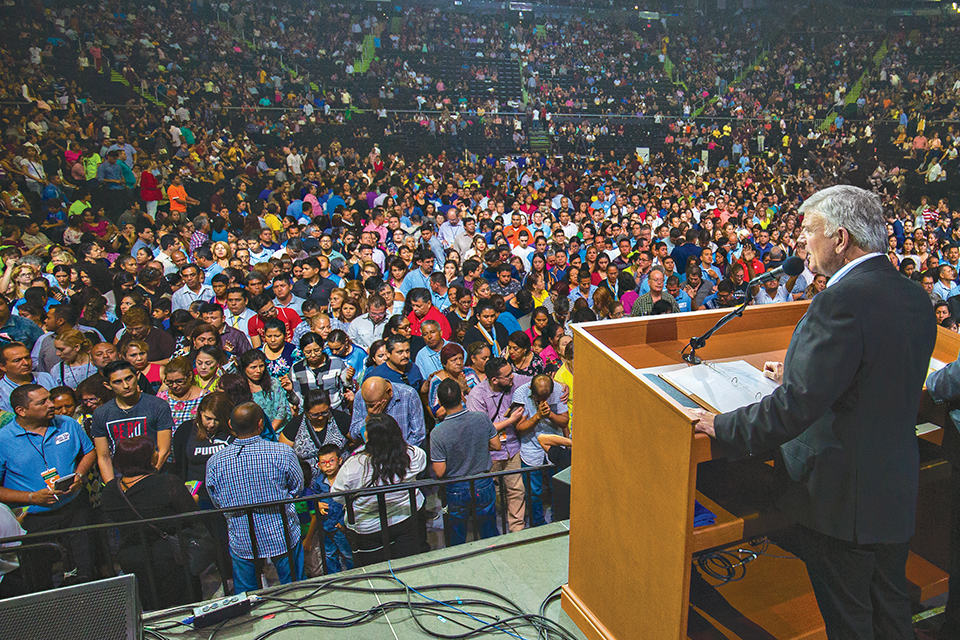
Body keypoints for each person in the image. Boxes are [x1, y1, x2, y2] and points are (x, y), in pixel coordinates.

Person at [692, 186, 937, 639]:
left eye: (808, 233)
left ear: (840, 238)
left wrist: (721, 425)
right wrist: (802, 373)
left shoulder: (840, 300)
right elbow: (876, 377)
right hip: (894, 490)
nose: (800, 243)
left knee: (851, 625)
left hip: (843, 501)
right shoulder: (914, 296)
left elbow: (793, 410)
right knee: (891, 614)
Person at [0, 384, 97, 589]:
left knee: (85, 571)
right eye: (42, 402)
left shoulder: (68, 424)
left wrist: (80, 474)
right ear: (21, 410)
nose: (51, 405)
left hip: (74, 508)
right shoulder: (3, 440)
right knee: (39, 578)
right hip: (34, 518)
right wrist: (30, 498)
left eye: (49, 399)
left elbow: (89, 451)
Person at [206, 402, 305, 594]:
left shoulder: (215, 462)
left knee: (246, 595)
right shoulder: (282, 453)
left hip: (242, 535)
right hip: (280, 531)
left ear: (230, 424)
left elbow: (216, 499)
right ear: (261, 424)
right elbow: (297, 487)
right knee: (296, 589)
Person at [100, 436, 201, 610]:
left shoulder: (110, 490)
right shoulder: (167, 482)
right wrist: (195, 499)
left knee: (150, 605)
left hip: (130, 557)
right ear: (144, 458)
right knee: (183, 604)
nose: (157, 453)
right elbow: (191, 517)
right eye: (153, 450)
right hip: (169, 555)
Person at [331, 413, 426, 566]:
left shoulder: (354, 465)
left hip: (369, 527)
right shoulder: (413, 455)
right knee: (408, 566)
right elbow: (421, 465)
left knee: (376, 571)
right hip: (407, 517)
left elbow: (338, 495)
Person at [432, 380, 501, 546]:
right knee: (489, 530)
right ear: (462, 397)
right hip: (483, 482)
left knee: (456, 534)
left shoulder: (438, 433)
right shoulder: (481, 418)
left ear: (440, 403)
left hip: (455, 486)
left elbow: (440, 471)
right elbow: (496, 445)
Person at [465, 357, 527, 532]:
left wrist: (560, 385)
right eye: (507, 376)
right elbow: (480, 429)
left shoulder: (513, 381)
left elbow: (535, 380)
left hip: (512, 448)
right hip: (490, 452)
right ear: (494, 380)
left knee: (516, 490)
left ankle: (517, 531)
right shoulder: (477, 395)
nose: (512, 378)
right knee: (489, 495)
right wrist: (511, 421)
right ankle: (490, 533)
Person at [91, 361, 175, 483]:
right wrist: (112, 487)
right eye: (117, 382)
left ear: (137, 376)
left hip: (154, 476)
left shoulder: (157, 406)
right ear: (108, 385)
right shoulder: (101, 413)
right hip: (120, 478)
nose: (126, 385)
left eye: (129, 378)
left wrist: (148, 478)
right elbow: (103, 457)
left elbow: (164, 450)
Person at [514, 374, 569, 527]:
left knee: (557, 489)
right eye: (539, 398)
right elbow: (519, 427)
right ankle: (537, 524)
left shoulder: (558, 389)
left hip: (555, 448)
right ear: (532, 391)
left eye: (546, 397)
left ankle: (557, 521)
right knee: (533, 493)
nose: (542, 401)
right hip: (531, 448)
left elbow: (564, 420)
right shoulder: (520, 393)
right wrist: (537, 416)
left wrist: (550, 414)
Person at [171, 392, 235, 507]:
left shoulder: (232, 432)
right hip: (197, 495)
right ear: (200, 413)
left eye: (217, 420)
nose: (212, 424)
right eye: (208, 418)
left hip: (226, 493)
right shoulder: (186, 430)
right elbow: (179, 465)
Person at [305, 444, 353, 575]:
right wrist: (318, 503)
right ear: (319, 465)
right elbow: (314, 498)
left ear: (340, 460)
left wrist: (343, 523)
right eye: (323, 462)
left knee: (348, 554)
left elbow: (351, 503)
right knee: (329, 555)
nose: (328, 465)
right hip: (325, 526)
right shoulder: (319, 482)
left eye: (331, 461)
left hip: (341, 526)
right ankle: (334, 578)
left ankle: (354, 576)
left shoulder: (345, 479)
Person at [279, 389, 351, 467]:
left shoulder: (339, 418)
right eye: (315, 415)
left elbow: (358, 440)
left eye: (324, 413)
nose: (320, 418)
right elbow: (284, 455)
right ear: (306, 412)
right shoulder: (295, 424)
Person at [350, 377, 426, 447]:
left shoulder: (408, 394)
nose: (374, 407)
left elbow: (418, 434)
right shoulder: (359, 396)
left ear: (389, 392)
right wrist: (369, 419)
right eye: (369, 405)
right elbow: (354, 434)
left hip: (403, 455)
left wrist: (399, 453)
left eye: (376, 404)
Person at [289, 333, 352, 410]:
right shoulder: (297, 369)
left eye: (316, 351)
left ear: (322, 348)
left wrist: (349, 379)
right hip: (310, 412)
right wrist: (289, 391)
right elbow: (296, 399)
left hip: (335, 409)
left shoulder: (337, 364)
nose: (313, 355)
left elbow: (348, 387)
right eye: (308, 352)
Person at [238, 349, 291, 440]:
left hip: (277, 433)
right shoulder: (240, 387)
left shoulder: (273, 383)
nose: (258, 371)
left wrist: (269, 433)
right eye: (253, 367)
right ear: (244, 368)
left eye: (261, 366)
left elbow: (282, 410)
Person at [0, 342, 57, 413]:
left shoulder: (45, 377)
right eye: (17, 360)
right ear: (2, 366)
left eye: (27, 358)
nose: (25, 363)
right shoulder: (1, 392)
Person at [156, 357, 207, 435]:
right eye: (170, 382)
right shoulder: (161, 397)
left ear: (189, 376)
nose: (174, 386)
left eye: (179, 381)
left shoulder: (204, 397)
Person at [427, 343, 474, 420]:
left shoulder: (469, 373)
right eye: (454, 360)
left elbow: (482, 397)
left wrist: (467, 389)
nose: (459, 363)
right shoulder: (437, 382)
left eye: (461, 358)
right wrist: (458, 392)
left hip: (471, 417)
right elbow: (438, 413)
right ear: (444, 363)